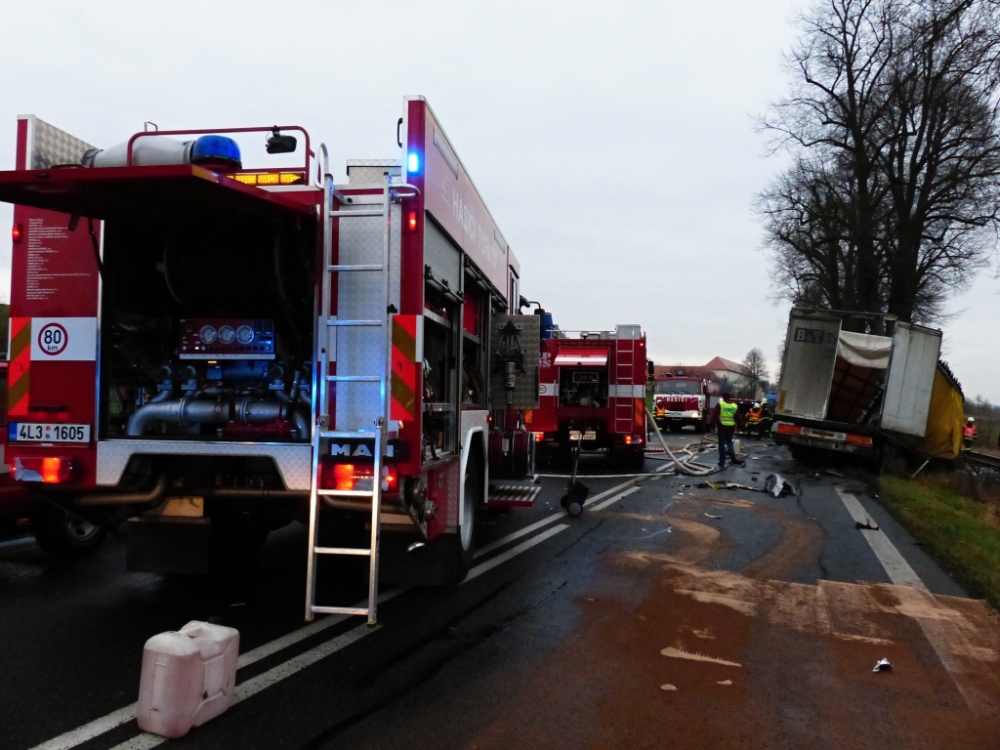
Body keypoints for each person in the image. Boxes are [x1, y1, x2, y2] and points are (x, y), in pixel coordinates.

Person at [709, 392, 743, 468]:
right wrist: (739, 427)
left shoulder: (720, 404)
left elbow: (714, 415)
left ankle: (722, 462)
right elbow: (738, 417)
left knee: (721, 443)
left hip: (722, 426)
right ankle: (732, 455)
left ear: (723, 397)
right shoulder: (734, 405)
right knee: (729, 441)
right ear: (729, 397)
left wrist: (711, 425)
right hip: (731, 427)